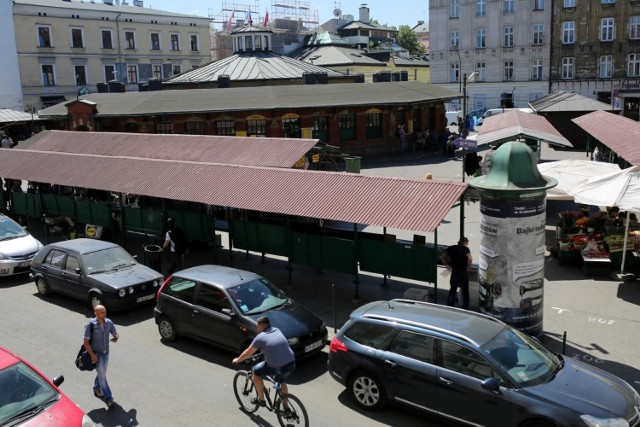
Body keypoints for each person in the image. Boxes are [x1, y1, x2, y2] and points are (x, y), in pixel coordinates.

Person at [232, 316, 296, 407]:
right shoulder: (276, 330)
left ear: (261, 326)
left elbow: (247, 353)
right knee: (281, 380)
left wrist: (237, 360)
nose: (257, 329)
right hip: (291, 363)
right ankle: (286, 407)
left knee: (256, 371)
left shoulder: (260, 338)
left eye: (258, 327)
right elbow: (275, 345)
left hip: (278, 367)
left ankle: (261, 399)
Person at [83, 305, 119, 408]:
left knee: (102, 373)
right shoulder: (90, 325)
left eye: (105, 312)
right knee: (103, 377)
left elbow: (115, 333)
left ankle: (96, 387)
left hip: (106, 353)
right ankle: (109, 398)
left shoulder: (109, 322)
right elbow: (86, 342)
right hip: (96, 355)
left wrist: (116, 337)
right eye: (102, 312)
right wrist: (92, 355)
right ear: (96, 313)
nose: (104, 314)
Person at [445, 237, 472, 309]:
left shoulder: (452, 248)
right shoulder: (466, 249)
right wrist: (468, 268)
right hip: (463, 273)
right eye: (467, 243)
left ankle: (450, 307)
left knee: (452, 291)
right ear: (465, 242)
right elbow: (470, 259)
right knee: (465, 292)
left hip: (455, 272)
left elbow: (442, 255)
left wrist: (447, 264)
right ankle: (465, 308)